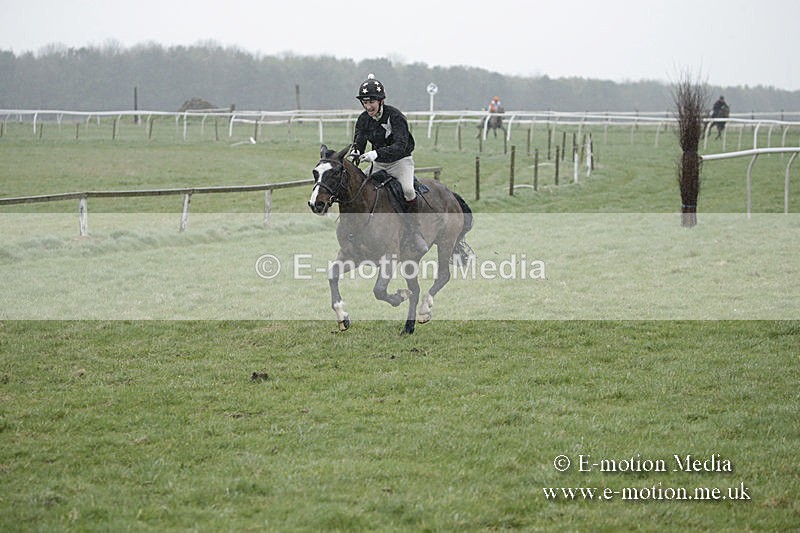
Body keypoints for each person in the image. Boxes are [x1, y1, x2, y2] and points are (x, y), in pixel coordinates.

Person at [351, 74, 428, 255]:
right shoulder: (363, 119)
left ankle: (414, 231)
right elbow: (359, 141)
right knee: (360, 187)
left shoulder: (395, 116)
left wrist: (375, 153)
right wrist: (356, 151)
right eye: (364, 102)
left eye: (371, 102)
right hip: (378, 163)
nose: (368, 106)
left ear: (381, 100)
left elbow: (400, 146)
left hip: (400, 162)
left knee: (408, 190)